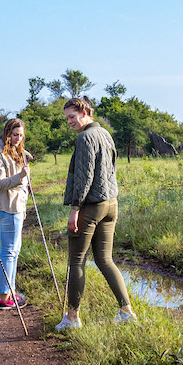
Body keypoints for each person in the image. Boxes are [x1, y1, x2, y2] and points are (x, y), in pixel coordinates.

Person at [56, 97, 135, 331]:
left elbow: (84, 177)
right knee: (105, 259)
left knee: (77, 260)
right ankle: (126, 311)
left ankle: (72, 318)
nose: (69, 122)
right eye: (67, 118)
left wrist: (74, 210)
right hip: (111, 204)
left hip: (91, 206)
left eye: (72, 117)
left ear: (84, 112)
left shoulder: (85, 137)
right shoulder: (105, 134)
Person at [0, 118, 32, 311]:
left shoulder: (15, 151)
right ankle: (5, 297)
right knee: (8, 252)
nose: (18, 138)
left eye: (21, 135)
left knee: (14, 251)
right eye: (15, 135)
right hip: (5, 206)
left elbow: (21, 159)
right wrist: (20, 176)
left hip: (17, 206)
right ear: (7, 133)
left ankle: (11, 291)